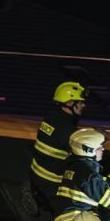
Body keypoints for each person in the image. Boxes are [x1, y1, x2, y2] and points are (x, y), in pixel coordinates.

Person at [30, 81, 86, 212]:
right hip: (53, 181)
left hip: (37, 173)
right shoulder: (66, 128)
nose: (83, 105)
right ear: (70, 104)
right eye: (80, 102)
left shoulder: (51, 118)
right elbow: (82, 152)